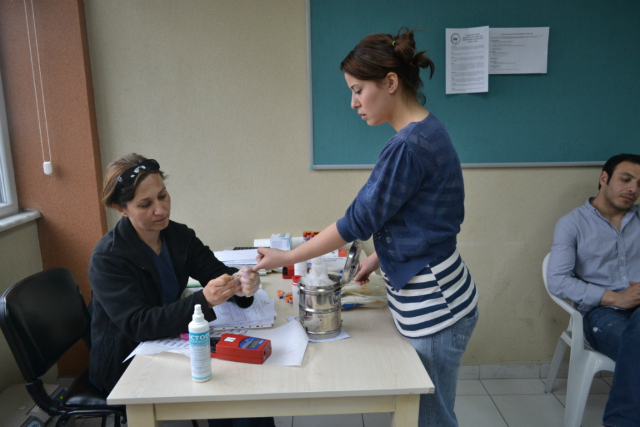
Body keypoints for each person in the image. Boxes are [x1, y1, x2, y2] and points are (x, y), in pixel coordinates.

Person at [253, 28, 479, 427]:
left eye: (358, 90)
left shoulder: (408, 146)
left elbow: (356, 221)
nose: (353, 102)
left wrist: (287, 257)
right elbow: (423, 218)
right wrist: (378, 257)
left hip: (436, 308)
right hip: (436, 295)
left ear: (390, 83)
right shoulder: (426, 131)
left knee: (431, 420)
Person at [89, 153, 275, 427]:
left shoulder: (179, 237)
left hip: (169, 342)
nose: (161, 210)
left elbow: (218, 274)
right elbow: (138, 324)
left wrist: (243, 285)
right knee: (228, 394)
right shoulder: (108, 257)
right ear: (121, 209)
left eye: (163, 196)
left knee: (241, 392)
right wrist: (205, 299)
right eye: (145, 204)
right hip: (127, 360)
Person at [547, 153, 640, 427]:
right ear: (604, 178)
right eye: (626, 179)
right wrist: (617, 298)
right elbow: (558, 281)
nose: (633, 189)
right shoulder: (572, 223)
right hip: (602, 313)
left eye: (639, 183)